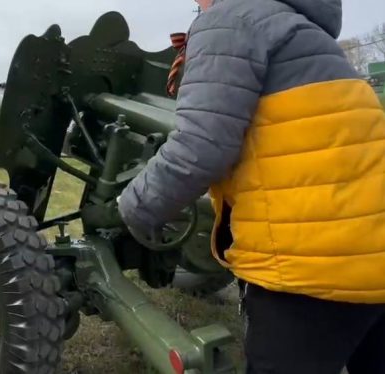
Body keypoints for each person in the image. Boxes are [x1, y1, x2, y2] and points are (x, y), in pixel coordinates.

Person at [117, 0, 385, 373]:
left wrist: (134, 207)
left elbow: (199, 146)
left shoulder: (230, 20)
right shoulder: (306, 34)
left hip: (308, 271)